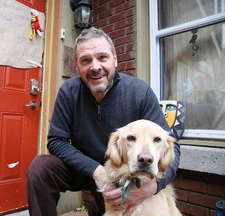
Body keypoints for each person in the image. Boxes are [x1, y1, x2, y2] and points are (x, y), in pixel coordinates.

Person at [26, 27, 180, 216]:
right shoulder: (68, 92)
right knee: (41, 169)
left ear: (115, 59)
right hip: (83, 169)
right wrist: (95, 170)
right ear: (77, 65)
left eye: (102, 57)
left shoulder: (140, 93)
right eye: (86, 60)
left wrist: (153, 187)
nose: (95, 67)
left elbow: (171, 146)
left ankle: (97, 208)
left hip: (122, 174)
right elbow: (56, 141)